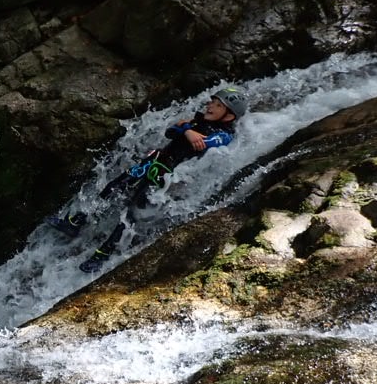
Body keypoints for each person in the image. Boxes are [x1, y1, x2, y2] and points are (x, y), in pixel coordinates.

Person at [46, 86, 249, 273]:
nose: (211, 106)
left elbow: (205, 143)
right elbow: (171, 131)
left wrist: (185, 128)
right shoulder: (197, 121)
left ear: (229, 115)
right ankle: (76, 222)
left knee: (132, 213)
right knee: (115, 186)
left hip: (167, 177)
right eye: (212, 102)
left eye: (218, 105)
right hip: (155, 162)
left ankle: (102, 255)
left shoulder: (224, 134)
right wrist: (187, 129)